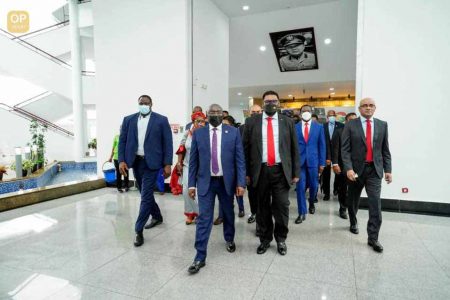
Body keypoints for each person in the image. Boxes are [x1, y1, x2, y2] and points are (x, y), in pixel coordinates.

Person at [187, 104, 246, 274]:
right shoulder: (199, 133)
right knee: (204, 217)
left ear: (222, 115)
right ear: (207, 115)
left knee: (228, 213)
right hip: (206, 182)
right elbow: (193, 162)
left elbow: (239, 160)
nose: (215, 115)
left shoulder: (233, 132)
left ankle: (229, 239)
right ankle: (199, 256)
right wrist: (191, 184)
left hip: (226, 182)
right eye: (212, 112)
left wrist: (240, 183)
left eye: (218, 112)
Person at [243, 91, 300, 256]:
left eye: (274, 101)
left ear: (279, 103)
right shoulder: (251, 121)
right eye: (267, 101)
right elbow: (245, 149)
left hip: (281, 171)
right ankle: (265, 239)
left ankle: (281, 239)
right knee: (262, 208)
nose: (270, 103)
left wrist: (295, 171)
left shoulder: (287, 122)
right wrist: (246, 173)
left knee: (282, 207)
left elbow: (294, 149)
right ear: (262, 104)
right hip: (259, 172)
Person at [118, 95, 173, 247]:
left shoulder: (161, 120)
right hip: (136, 162)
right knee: (145, 193)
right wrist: (122, 160)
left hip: (153, 163)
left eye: (146, 103)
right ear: (138, 104)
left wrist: (168, 163)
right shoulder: (128, 120)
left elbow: (167, 143)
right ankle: (157, 216)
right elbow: (122, 141)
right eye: (141, 103)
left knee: (145, 196)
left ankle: (138, 230)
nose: (143, 105)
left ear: (151, 104)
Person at [341, 98, 392, 253]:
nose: (368, 108)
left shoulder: (382, 125)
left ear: (375, 108)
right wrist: (348, 168)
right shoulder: (350, 125)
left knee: (375, 204)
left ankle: (373, 238)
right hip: (355, 171)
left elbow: (385, 150)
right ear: (359, 108)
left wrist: (388, 170)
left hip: (375, 171)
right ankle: (353, 222)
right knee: (353, 200)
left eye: (371, 106)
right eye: (365, 106)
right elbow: (345, 149)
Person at [294, 105, 326, 223]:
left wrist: (322, 163)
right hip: (299, 163)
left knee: (313, 186)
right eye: (303, 111)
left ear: (311, 112)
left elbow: (322, 145)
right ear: (300, 113)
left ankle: (311, 202)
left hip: (314, 161)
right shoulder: (294, 127)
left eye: (308, 111)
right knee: (300, 187)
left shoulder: (319, 127)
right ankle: (302, 213)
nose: (306, 112)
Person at [175, 111, 206, 225]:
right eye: (199, 121)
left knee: (198, 193)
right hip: (188, 165)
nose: (201, 123)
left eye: (203, 121)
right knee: (185, 191)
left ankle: (200, 214)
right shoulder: (187, 133)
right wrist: (179, 163)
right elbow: (181, 148)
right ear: (193, 122)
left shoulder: (206, 133)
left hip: (202, 167)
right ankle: (190, 214)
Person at [214, 115, 245, 224]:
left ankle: (241, 209)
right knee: (224, 197)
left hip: (235, 171)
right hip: (223, 173)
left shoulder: (235, 134)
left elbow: (239, 156)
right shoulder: (218, 136)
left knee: (237, 193)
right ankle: (221, 216)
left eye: (226, 124)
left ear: (231, 125)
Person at [331, 112, 357, 219]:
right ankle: (342, 208)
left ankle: (352, 208)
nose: (353, 121)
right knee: (343, 188)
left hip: (356, 166)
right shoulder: (338, 131)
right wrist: (335, 163)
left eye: (355, 119)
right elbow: (335, 148)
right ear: (346, 121)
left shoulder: (359, 132)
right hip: (342, 165)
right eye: (350, 119)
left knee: (354, 187)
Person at [240, 104, 262, 226]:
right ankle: (254, 213)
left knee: (263, 196)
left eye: (258, 112)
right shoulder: (242, 128)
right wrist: (245, 172)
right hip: (250, 169)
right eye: (253, 112)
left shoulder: (266, 126)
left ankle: (261, 219)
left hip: (264, 169)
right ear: (249, 113)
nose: (255, 114)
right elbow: (242, 151)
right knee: (252, 194)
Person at [322, 110, 344, 200]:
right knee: (326, 175)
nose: (332, 116)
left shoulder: (341, 126)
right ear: (327, 117)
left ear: (335, 116)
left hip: (338, 153)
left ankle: (336, 189)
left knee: (338, 173)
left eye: (333, 115)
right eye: (330, 115)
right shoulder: (323, 126)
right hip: (326, 153)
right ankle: (326, 193)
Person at [109, 128, 129, 192]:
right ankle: (119, 187)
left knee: (126, 172)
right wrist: (110, 157)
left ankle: (126, 186)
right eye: (121, 129)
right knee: (118, 172)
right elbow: (113, 147)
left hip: (124, 158)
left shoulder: (127, 137)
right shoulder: (116, 137)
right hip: (116, 157)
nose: (122, 130)